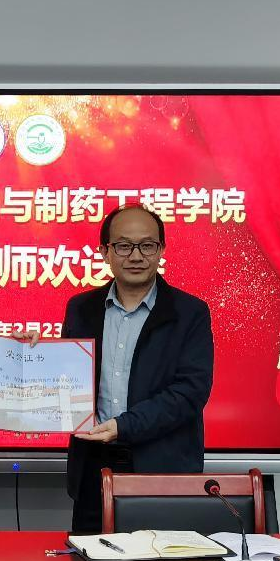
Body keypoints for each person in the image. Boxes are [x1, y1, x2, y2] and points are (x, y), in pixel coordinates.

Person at [61, 205, 214, 533]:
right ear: (105, 252)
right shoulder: (81, 309)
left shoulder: (190, 313)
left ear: (161, 250)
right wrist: (30, 354)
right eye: (123, 246)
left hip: (162, 471)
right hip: (92, 469)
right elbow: (65, 379)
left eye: (147, 245)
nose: (136, 256)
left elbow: (190, 392)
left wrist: (124, 426)